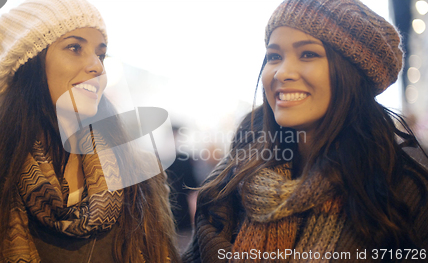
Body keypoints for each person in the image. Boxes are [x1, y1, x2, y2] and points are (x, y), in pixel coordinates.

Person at [0, 0, 180, 262]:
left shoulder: (140, 176)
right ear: (30, 67)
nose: (98, 66)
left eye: (100, 53)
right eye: (75, 47)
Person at [183, 0, 428, 262]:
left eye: (308, 54)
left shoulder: (401, 193)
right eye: (274, 56)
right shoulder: (233, 178)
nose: (282, 72)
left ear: (353, 74)